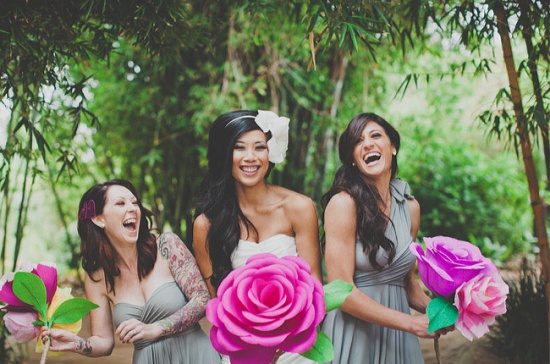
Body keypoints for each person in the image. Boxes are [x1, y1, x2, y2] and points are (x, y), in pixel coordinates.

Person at [41, 179, 221, 363]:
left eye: (134, 203)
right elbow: (104, 341)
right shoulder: (97, 277)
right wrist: (77, 343)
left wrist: (157, 328)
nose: (133, 208)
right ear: (98, 219)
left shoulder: (167, 246)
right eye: (120, 203)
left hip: (196, 356)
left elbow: (202, 299)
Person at [193, 110, 322, 364]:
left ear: (270, 153)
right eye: (239, 148)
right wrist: (255, 346)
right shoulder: (206, 225)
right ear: (224, 154)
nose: (250, 158)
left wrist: (288, 343)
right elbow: (219, 302)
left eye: (259, 147)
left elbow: (315, 287)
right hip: (244, 350)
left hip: (297, 349)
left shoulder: (299, 208)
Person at [321, 113, 445, 363]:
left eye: (375, 135)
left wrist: (448, 311)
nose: (367, 144)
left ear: (393, 147)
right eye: (358, 141)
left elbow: (407, 284)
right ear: (353, 160)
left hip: (398, 336)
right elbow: (341, 291)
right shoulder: (343, 204)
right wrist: (410, 323)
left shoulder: (410, 208)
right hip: (354, 333)